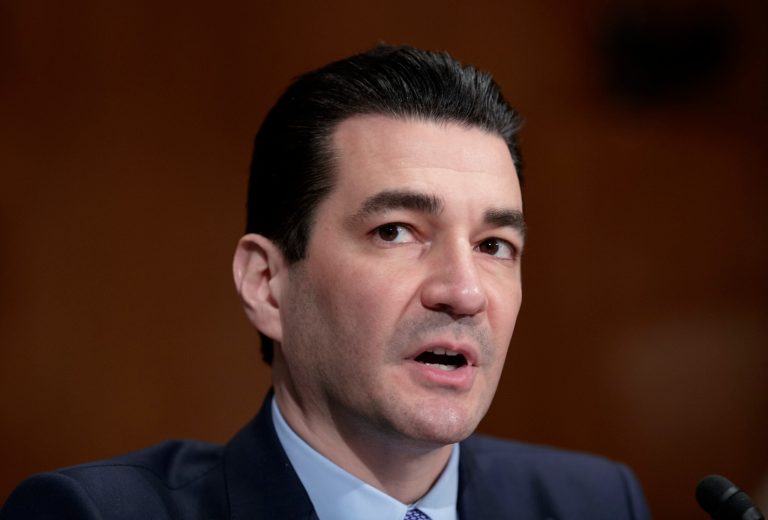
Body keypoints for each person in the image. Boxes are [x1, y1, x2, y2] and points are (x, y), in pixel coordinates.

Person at [1, 45, 651, 520]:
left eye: (493, 245)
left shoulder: (594, 503)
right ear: (266, 284)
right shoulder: (94, 514)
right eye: (396, 232)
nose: (464, 292)